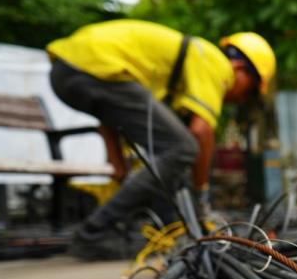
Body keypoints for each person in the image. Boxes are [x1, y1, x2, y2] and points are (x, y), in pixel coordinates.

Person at [47, 19, 275, 259]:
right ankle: (94, 233)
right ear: (239, 68)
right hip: (90, 66)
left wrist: (118, 164)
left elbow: (108, 116)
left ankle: (170, 229)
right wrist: (200, 195)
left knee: (170, 152)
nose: (241, 100)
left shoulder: (175, 78)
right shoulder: (215, 62)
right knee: (183, 148)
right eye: (249, 91)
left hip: (67, 70)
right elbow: (201, 133)